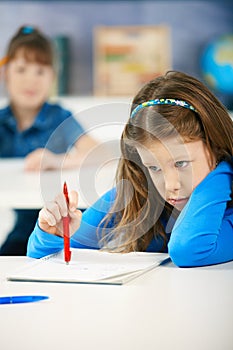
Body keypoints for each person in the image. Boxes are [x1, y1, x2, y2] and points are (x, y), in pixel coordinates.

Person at [27, 70, 233, 267]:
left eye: (181, 163)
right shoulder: (133, 196)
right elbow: (44, 260)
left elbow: (189, 251)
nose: (171, 185)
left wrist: (223, 169)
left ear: (215, 147)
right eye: (153, 167)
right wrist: (52, 233)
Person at [0, 25, 99, 255]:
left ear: (52, 77)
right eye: (22, 69)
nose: (31, 80)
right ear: (6, 74)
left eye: (41, 71)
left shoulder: (59, 118)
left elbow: (100, 153)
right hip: (25, 229)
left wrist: (58, 160)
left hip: (69, 226)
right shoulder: (2, 121)